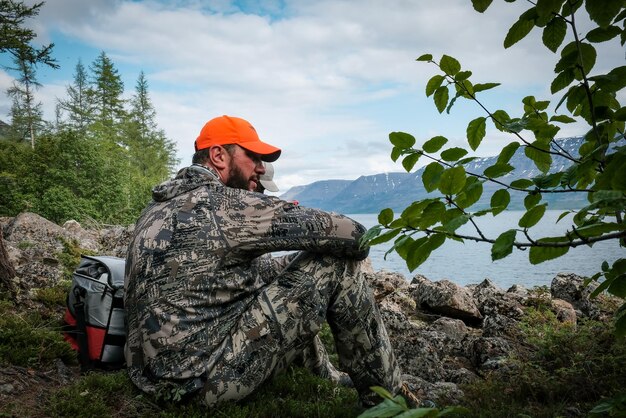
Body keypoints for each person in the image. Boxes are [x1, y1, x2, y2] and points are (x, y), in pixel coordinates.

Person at [124, 115, 406, 408]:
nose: (260, 167)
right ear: (218, 156)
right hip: (199, 385)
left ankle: (324, 373)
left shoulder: (158, 206)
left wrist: (296, 263)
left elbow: (229, 275)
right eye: (253, 156)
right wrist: (314, 254)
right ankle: (390, 403)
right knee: (333, 265)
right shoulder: (225, 204)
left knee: (305, 271)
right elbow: (355, 235)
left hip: (150, 377)